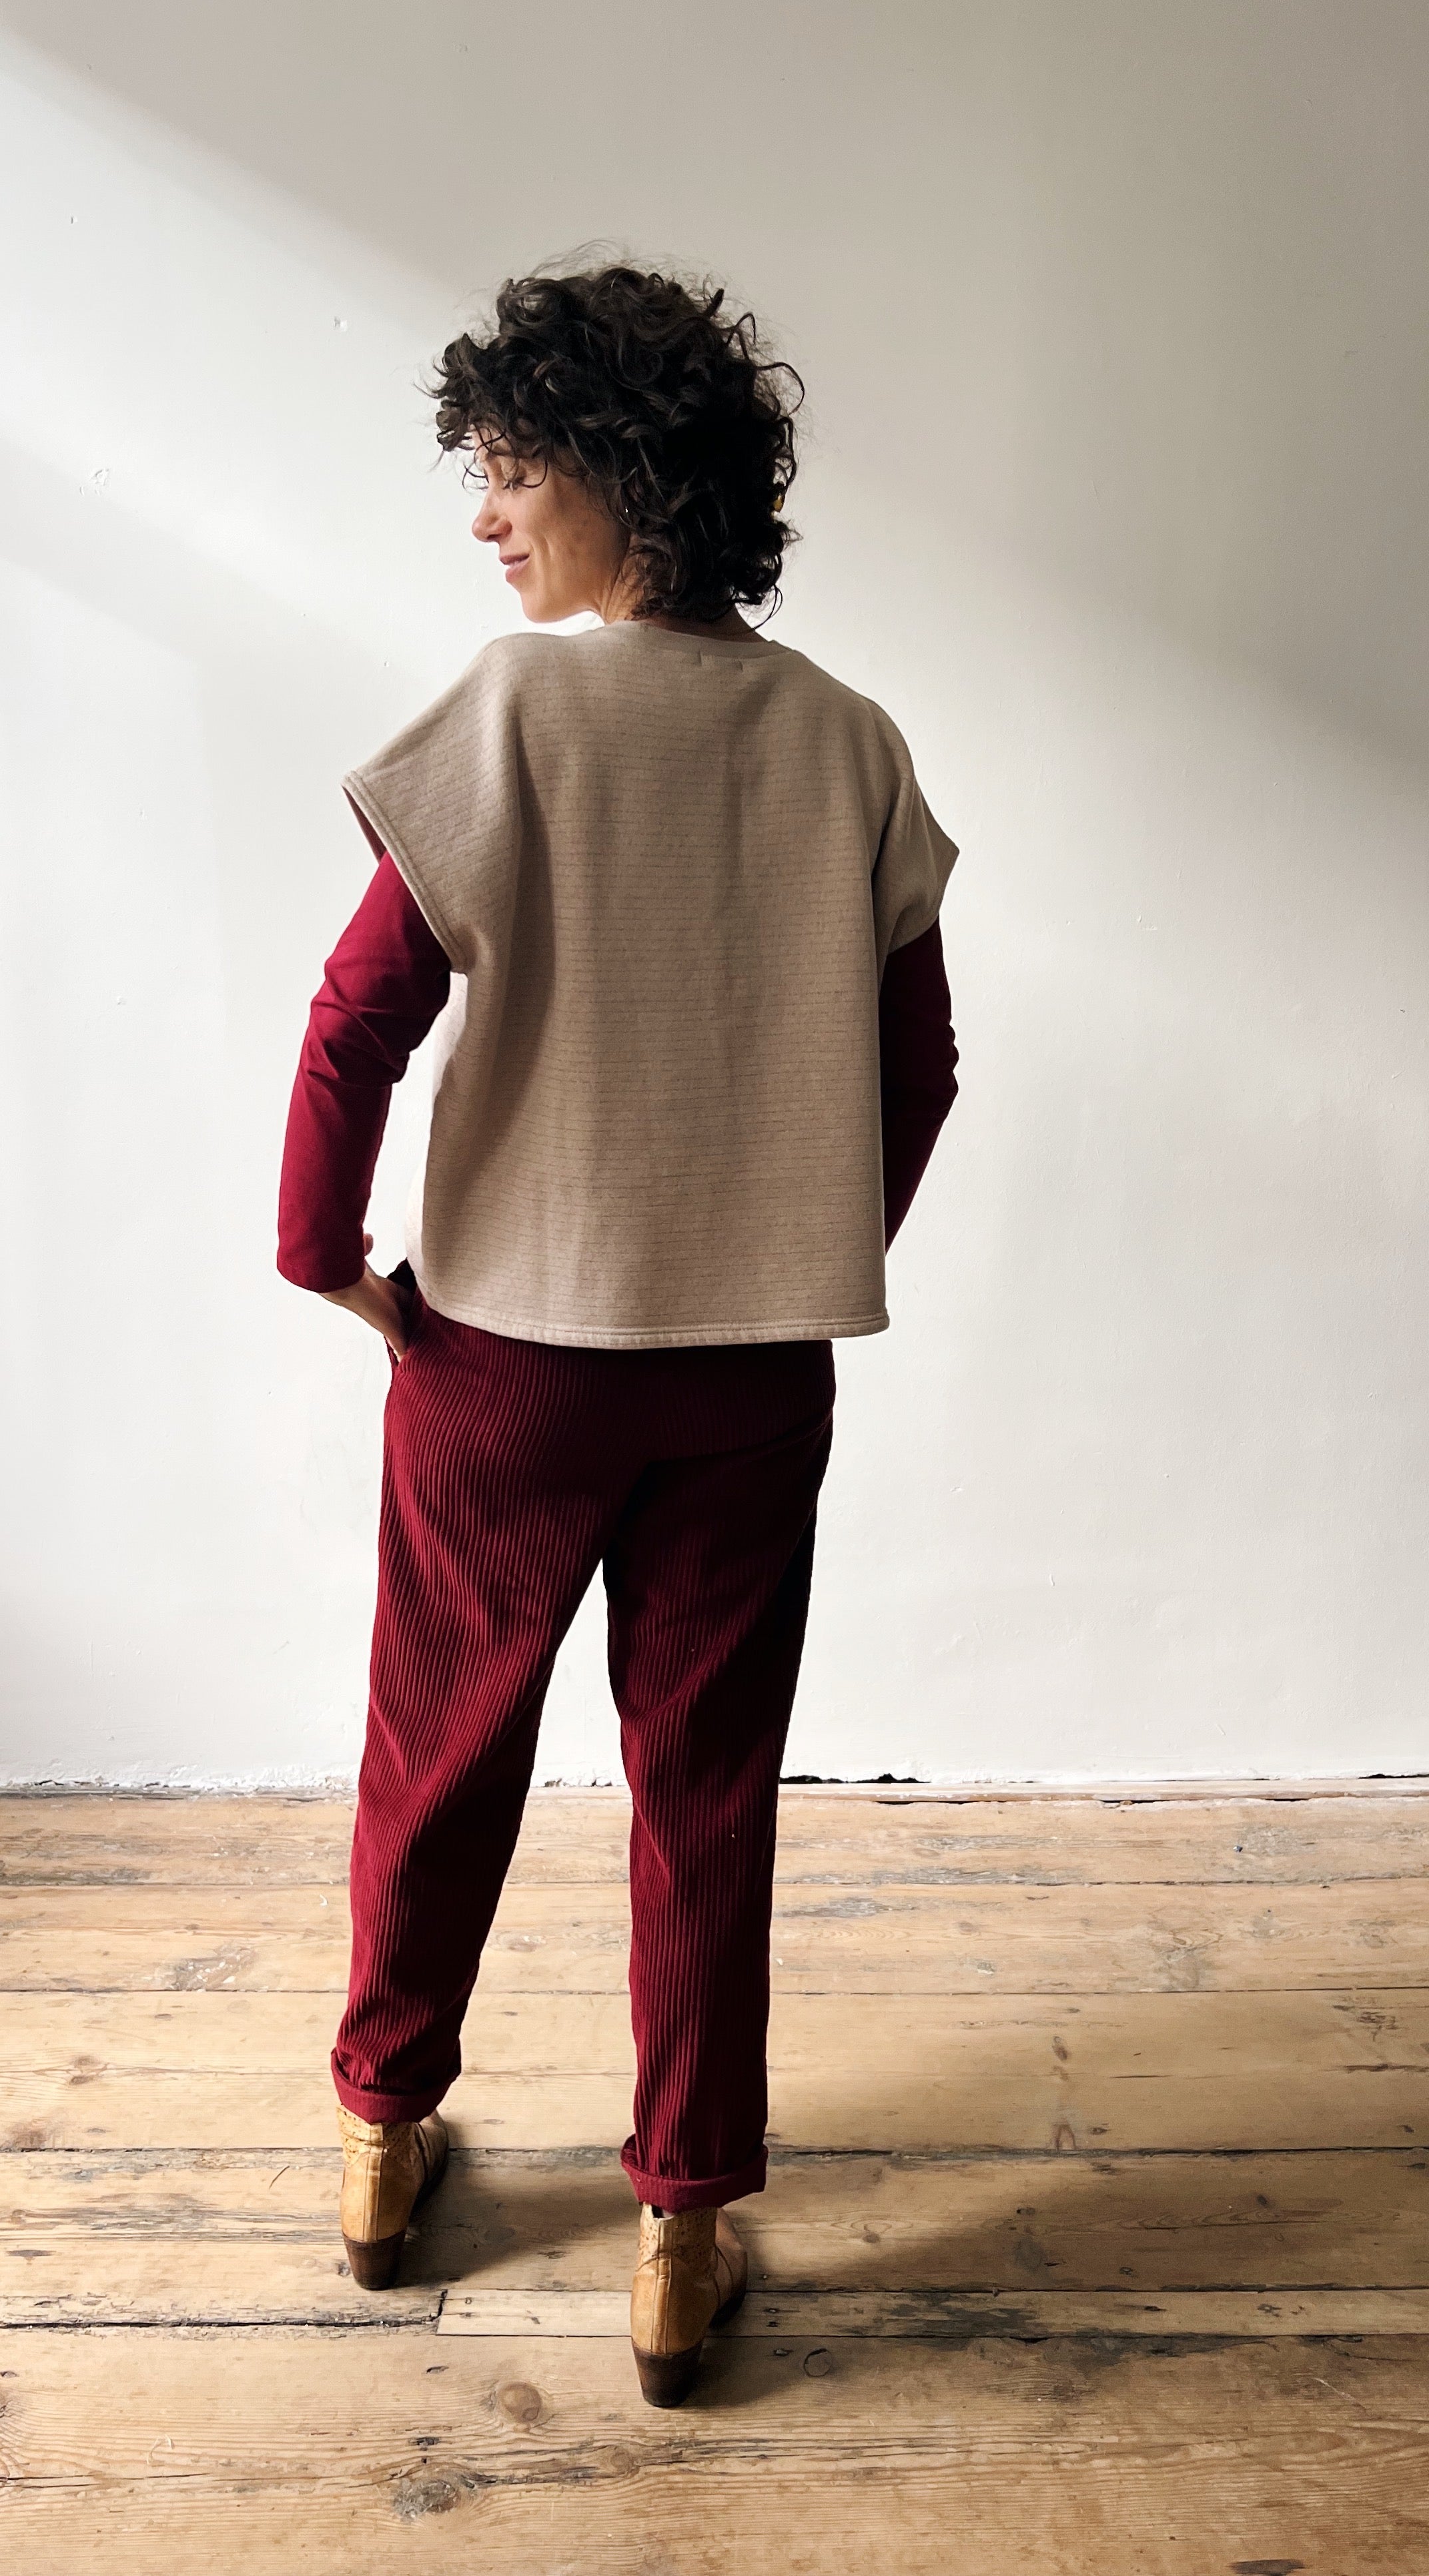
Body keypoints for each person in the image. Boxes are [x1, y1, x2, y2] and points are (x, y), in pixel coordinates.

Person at [276, 263, 959, 2407]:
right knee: (707, 1788)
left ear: (616, 475)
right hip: (750, 1381)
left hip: (501, 1362)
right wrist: (789, 1236)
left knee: (441, 1743)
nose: (487, 516)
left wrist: (330, 1257)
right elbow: (922, 1065)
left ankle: (389, 2142)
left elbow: (359, 1016)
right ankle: (682, 2226)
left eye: (509, 467)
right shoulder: (845, 741)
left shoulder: (507, 713)